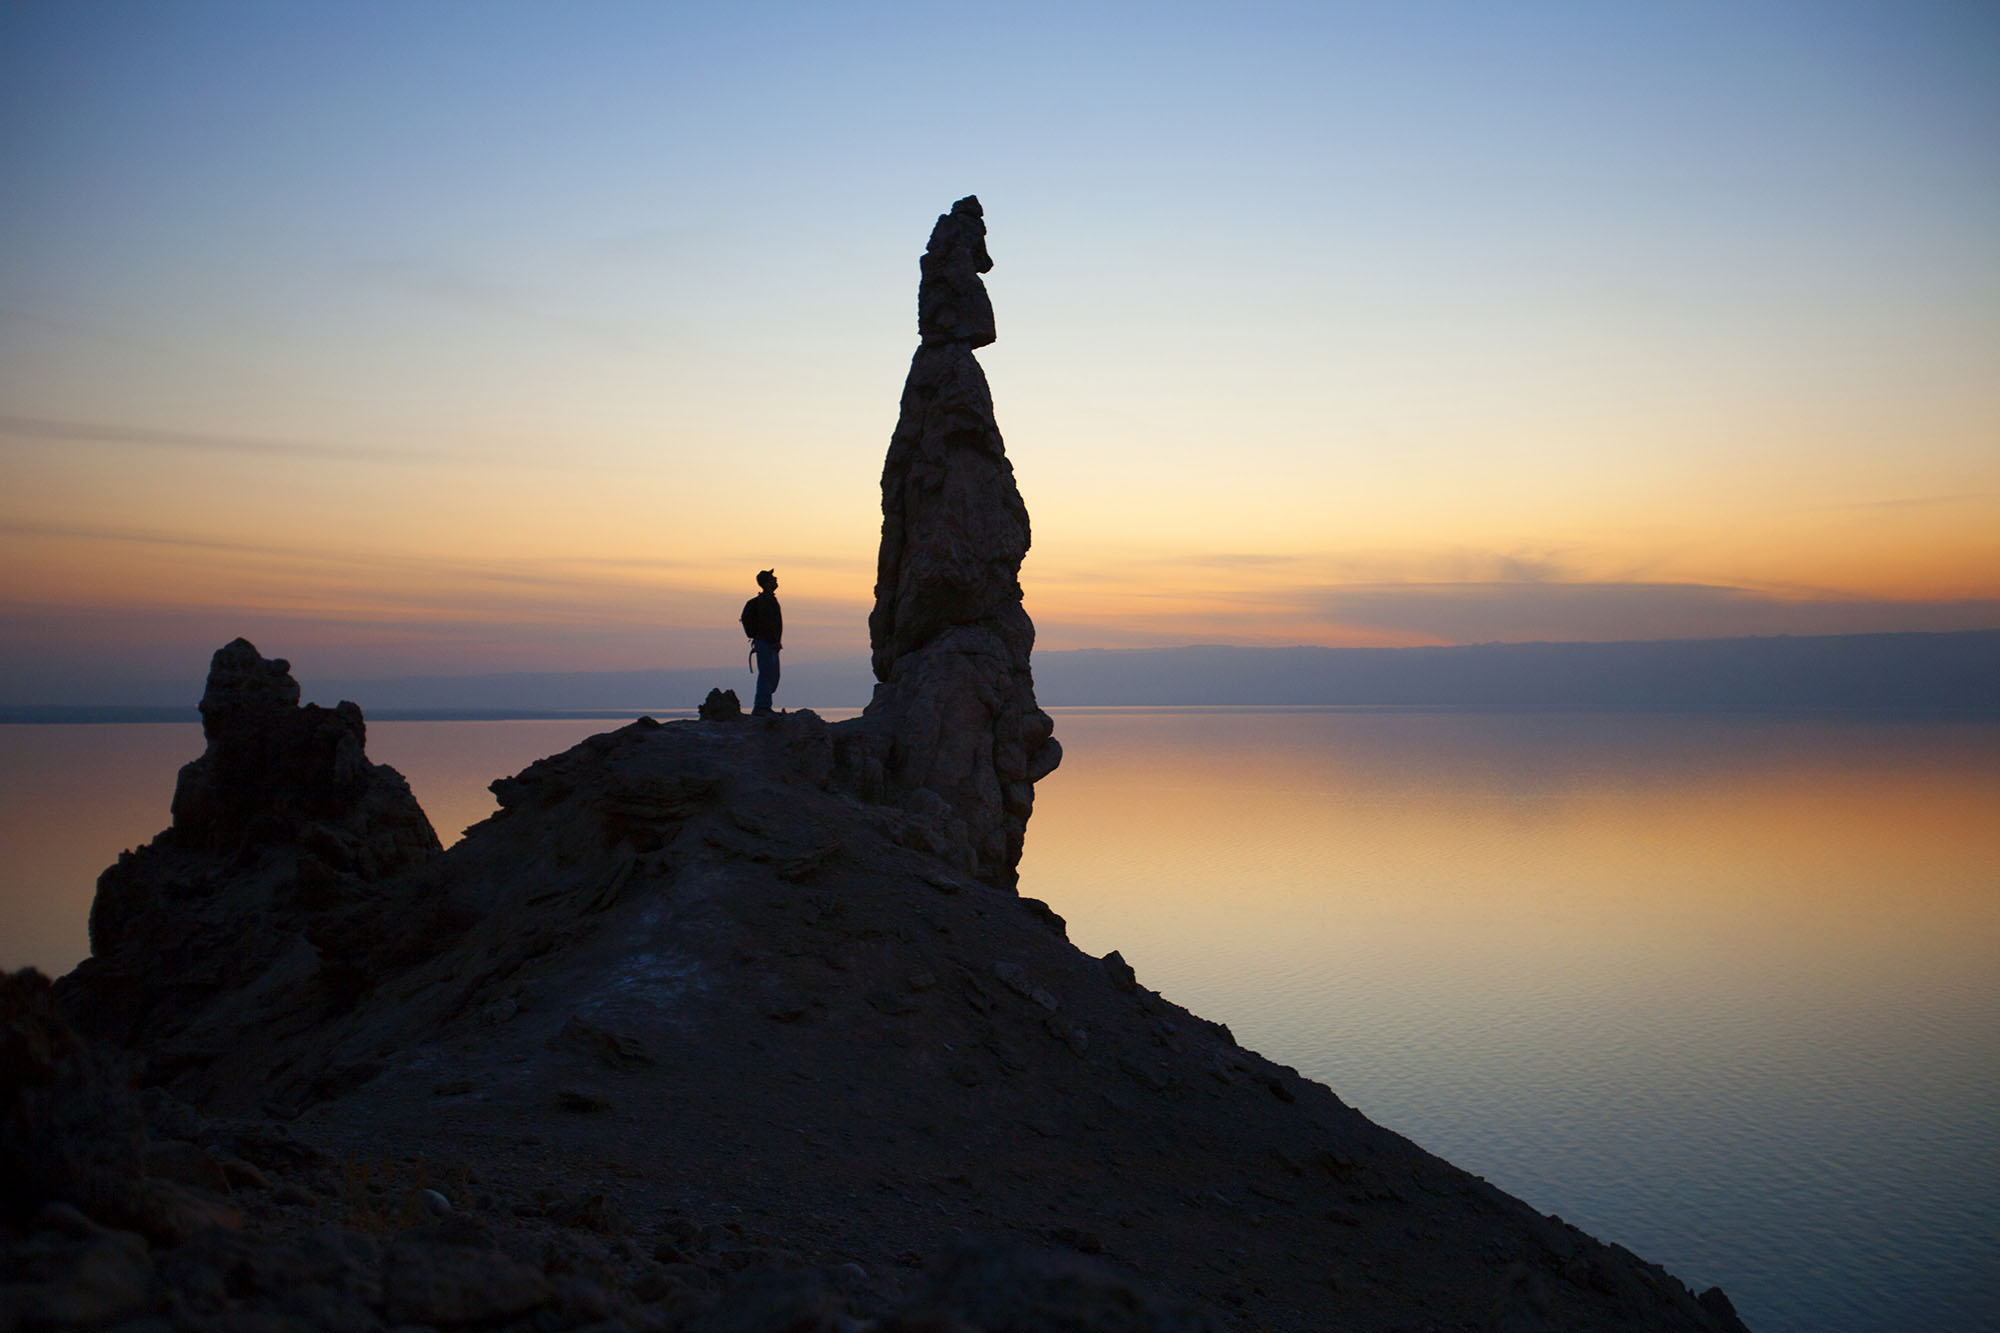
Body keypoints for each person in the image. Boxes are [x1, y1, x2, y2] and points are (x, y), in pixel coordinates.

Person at [740, 569, 783, 715]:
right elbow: (767, 624)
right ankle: (761, 707)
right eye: (772, 578)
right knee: (766, 674)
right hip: (765, 643)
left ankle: (764, 706)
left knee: (772, 675)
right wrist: (770, 640)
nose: (776, 579)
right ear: (766, 582)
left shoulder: (769, 600)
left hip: (770, 643)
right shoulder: (764, 602)